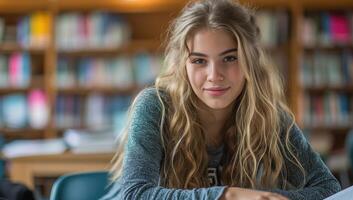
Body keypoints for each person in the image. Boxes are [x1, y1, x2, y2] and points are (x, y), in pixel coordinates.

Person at [101, 0, 341, 199]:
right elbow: (135, 195)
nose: (214, 76)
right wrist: (230, 195)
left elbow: (327, 187)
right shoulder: (155, 106)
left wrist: (265, 197)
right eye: (199, 61)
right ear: (182, 65)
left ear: (250, 61)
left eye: (230, 59)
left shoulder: (267, 115)